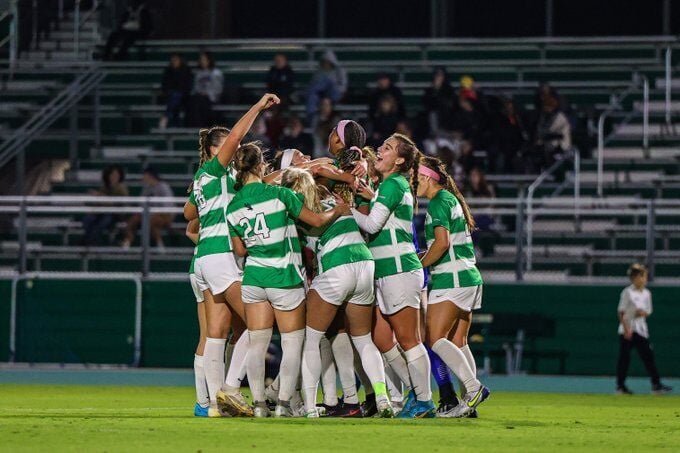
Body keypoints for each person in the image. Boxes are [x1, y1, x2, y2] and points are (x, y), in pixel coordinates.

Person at [225, 142, 347, 418]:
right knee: (293, 343)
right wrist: (338, 211)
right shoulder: (279, 194)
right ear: (260, 166)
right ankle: (282, 405)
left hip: (254, 278)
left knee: (257, 343)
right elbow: (316, 221)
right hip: (284, 277)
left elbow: (240, 250)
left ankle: (257, 405)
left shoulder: (232, 206)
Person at [183, 95, 280, 418]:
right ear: (217, 150)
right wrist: (257, 107)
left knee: (216, 334)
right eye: (229, 147)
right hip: (221, 256)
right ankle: (230, 389)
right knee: (258, 323)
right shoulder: (214, 170)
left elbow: (189, 214)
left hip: (206, 259)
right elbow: (238, 136)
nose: (236, 151)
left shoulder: (213, 179)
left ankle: (211, 404)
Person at [280, 167, 394, 419]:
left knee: (311, 340)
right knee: (363, 340)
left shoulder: (295, 205)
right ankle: (382, 397)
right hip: (365, 264)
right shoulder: (332, 198)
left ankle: (310, 406)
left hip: (336, 266)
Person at [351, 133, 436, 418]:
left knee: (409, 339)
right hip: (388, 272)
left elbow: (373, 225)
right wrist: (371, 196)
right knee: (382, 338)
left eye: (386, 148)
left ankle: (424, 401)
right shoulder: (391, 186)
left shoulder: (392, 183)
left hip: (399, 270)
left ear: (399, 160)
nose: (379, 151)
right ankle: (416, 392)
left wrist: (346, 210)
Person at [417, 156, 491, 418]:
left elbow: (442, 244)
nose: (413, 182)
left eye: (416, 177)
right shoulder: (450, 199)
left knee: (435, 338)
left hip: (451, 279)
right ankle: (469, 403)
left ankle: (473, 389)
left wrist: (420, 263)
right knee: (459, 342)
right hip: (468, 277)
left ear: (427, 178)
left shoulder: (438, 202)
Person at [616, 264, 672, 395]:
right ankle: (620, 386)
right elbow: (621, 312)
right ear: (636, 277)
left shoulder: (647, 293)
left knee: (648, 357)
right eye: (643, 276)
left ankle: (656, 385)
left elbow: (648, 311)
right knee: (624, 359)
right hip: (628, 331)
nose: (645, 279)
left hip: (641, 330)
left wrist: (642, 313)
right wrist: (626, 329)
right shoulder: (627, 292)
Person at [186, 219, 210, 417]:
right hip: (216, 266)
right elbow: (191, 230)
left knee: (209, 335)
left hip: (200, 265)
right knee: (215, 335)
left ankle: (204, 401)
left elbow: (190, 231)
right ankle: (215, 397)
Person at [121, 166, 173, 249]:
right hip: (147, 214)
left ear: (151, 176)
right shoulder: (146, 188)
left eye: (145, 176)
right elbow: (141, 204)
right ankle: (128, 241)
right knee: (133, 220)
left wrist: (154, 212)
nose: (143, 179)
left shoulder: (163, 187)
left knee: (150, 221)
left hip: (163, 215)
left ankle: (157, 244)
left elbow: (168, 206)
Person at [81, 165, 129, 246]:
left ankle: (92, 242)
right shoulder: (105, 187)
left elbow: (118, 204)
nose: (114, 177)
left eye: (116, 175)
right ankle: (87, 240)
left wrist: (101, 196)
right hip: (102, 211)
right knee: (88, 219)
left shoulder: (122, 188)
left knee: (103, 222)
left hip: (115, 214)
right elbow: (100, 202)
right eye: (112, 175)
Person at [305, 50, 347, 120]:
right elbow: (314, 86)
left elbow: (343, 86)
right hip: (321, 94)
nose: (326, 64)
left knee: (329, 81)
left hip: (335, 94)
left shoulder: (340, 71)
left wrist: (332, 85)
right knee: (312, 94)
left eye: (328, 62)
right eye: (324, 62)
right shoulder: (318, 72)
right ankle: (310, 117)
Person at [186, 52, 223, 128]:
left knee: (200, 102)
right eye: (201, 60)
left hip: (211, 98)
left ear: (209, 60)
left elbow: (218, 89)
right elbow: (195, 87)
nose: (202, 61)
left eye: (204, 59)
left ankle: (202, 126)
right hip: (199, 97)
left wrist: (208, 94)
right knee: (193, 101)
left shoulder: (216, 73)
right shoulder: (198, 73)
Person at [159, 53, 192, 129]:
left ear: (180, 61)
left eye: (176, 60)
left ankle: (166, 116)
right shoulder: (168, 71)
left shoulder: (185, 70)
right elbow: (165, 86)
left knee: (176, 96)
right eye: (173, 60)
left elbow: (187, 86)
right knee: (174, 99)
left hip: (184, 96)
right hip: (170, 96)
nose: (174, 62)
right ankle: (176, 125)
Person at [422, 66, 455, 136]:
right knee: (432, 114)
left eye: (440, 75)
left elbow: (450, 104)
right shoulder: (429, 90)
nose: (438, 78)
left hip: (446, 116)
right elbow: (427, 104)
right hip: (434, 118)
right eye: (437, 75)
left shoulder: (449, 90)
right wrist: (436, 90)